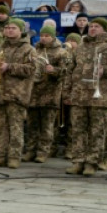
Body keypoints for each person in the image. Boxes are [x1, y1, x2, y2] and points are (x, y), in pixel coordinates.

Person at [66, 18, 107, 176]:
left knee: (97, 131)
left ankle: (92, 162)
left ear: (105, 29)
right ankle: (78, 161)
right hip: (79, 95)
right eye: (91, 26)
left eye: (97, 26)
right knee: (78, 129)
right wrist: (67, 92)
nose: (92, 28)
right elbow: (71, 69)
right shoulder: (81, 46)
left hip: (100, 96)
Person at [0, 19, 37, 169]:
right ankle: (0, 155)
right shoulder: (0, 47)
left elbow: (32, 69)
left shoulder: (28, 49)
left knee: (15, 128)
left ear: (20, 31)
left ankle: (14, 157)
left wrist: (10, 67)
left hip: (16, 94)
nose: (9, 30)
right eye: (7, 28)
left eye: (13, 28)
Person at [23, 26, 68, 163]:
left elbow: (66, 72)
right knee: (32, 125)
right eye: (42, 35)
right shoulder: (35, 51)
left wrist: (53, 70)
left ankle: (43, 152)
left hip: (50, 93)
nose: (44, 38)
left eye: (47, 35)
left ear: (53, 37)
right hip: (34, 93)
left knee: (47, 126)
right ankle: (31, 150)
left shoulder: (62, 52)